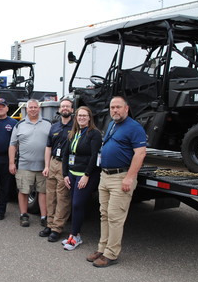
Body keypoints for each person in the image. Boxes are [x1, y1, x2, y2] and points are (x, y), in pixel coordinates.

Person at [88, 96, 146, 267]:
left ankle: (111, 254)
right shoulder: (112, 124)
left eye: (118, 107)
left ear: (126, 109)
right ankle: (102, 248)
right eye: (112, 107)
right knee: (104, 214)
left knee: (115, 217)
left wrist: (130, 177)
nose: (114, 110)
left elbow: (140, 153)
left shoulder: (134, 128)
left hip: (121, 178)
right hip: (105, 176)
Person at [61, 106, 102, 250]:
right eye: (79, 116)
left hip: (86, 175)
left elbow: (94, 156)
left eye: (85, 116)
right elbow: (66, 154)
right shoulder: (73, 133)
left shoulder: (94, 134)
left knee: (78, 204)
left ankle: (75, 236)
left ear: (90, 118)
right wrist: (65, 174)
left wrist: (87, 175)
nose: (82, 118)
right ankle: (73, 235)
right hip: (72, 174)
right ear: (76, 118)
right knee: (74, 204)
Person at [9, 99, 51, 227]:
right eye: (30, 107)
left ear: (39, 109)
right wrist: (11, 163)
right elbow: (12, 145)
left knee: (43, 192)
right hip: (24, 165)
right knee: (23, 191)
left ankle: (44, 217)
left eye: (35, 107)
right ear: (26, 109)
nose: (33, 109)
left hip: (43, 167)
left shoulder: (48, 124)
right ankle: (23, 215)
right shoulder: (19, 125)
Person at [40, 98, 74, 242]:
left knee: (62, 198)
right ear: (59, 110)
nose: (65, 108)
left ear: (72, 110)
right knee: (50, 196)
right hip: (53, 162)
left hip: (65, 165)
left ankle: (57, 228)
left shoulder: (76, 127)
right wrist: (47, 166)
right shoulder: (54, 127)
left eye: (68, 106)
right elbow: (48, 147)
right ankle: (50, 224)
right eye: (63, 106)